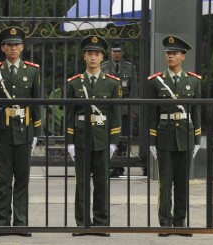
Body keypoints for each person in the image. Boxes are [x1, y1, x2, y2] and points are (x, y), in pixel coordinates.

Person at [0, 26, 41, 237]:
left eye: (17, 44)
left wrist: (37, 131)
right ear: (2, 48)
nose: (14, 48)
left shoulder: (32, 70)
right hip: (2, 130)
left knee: (22, 179)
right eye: (9, 44)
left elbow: (37, 103)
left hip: (25, 129)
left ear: (22, 46)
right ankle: (1, 222)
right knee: (3, 179)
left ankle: (21, 222)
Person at [66, 35, 121, 236]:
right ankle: (82, 223)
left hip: (102, 138)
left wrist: (114, 142)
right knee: (82, 183)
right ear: (84, 57)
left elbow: (115, 117)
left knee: (101, 182)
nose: (93, 58)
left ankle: (101, 223)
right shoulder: (73, 84)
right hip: (81, 137)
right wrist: (70, 142)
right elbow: (70, 116)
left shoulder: (112, 84)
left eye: (96, 54)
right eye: (89, 54)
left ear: (102, 58)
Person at [148, 35, 201, 237]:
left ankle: (181, 222)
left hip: (185, 136)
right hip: (164, 136)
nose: (170, 56)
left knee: (182, 183)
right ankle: (165, 223)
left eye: (174, 53)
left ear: (183, 56)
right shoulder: (156, 81)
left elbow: (196, 113)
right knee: (165, 183)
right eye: (168, 53)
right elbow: (152, 115)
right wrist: (152, 140)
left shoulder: (193, 81)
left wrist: (196, 139)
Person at [101, 42, 138, 177]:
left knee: (124, 137)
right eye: (114, 51)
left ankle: (120, 165)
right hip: (109, 108)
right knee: (108, 136)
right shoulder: (104, 67)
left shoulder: (129, 68)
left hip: (125, 108)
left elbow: (134, 89)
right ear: (111, 53)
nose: (116, 54)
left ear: (122, 53)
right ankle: (110, 164)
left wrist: (134, 110)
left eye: (119, 51)